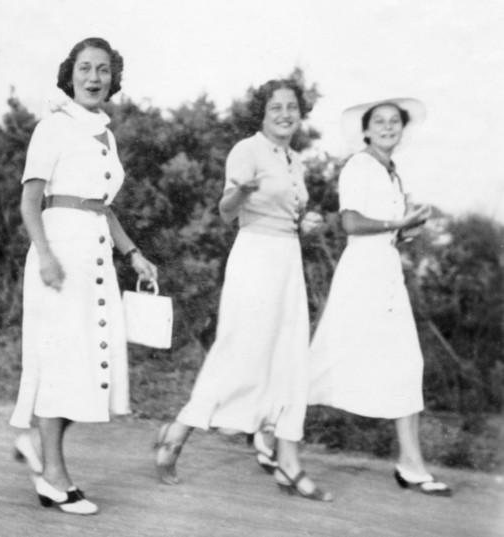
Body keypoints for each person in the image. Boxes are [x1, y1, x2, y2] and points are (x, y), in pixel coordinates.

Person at [154, 79, 332, 502]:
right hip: (255, 257)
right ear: (263, 113)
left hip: (287, 260)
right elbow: (225, 210)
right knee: (240, 352)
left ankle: (288, 458)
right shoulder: (247, 149)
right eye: (276, 108)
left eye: (292, 107)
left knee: (290, 357)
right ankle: (178, 430)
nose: (286, 114)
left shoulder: (295, 161)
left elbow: (291, 214)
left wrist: (306, 224)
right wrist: (242, 191)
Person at [9, 37, 157, 515]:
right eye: (85, 69)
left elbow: (100, 208)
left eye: (104, 70)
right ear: (69, 75)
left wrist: (133, 252)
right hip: (60, 256)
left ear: (114, 78)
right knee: (63, 365)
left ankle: (37, 443)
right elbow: (31, 201)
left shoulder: (106, 135)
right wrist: (45, 254)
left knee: (90, 368)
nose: (94, 78)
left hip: (95, 260)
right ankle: (53, 477)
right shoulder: (54, 127)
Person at [307, 97, 451, 497]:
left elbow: (389, 229)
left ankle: (411, 464)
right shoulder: (359, 165)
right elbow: (350, 221)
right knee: (328, 358)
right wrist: (396, 222)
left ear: (401, 130)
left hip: (385, 272)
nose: (388, 127)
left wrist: (407, 229)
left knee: (406, 364)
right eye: (380, 121)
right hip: (363, 274)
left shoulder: (391, 172)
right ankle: (270, 430)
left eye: (395, 122)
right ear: (366, 129)